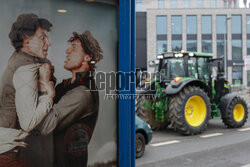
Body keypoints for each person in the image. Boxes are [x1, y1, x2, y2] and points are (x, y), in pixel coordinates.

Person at [38, 31, 103, 167]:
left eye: (74, 48)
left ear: (87, 57)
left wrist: (44, 85)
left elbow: (44, 126)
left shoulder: (82, 93)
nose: (67, 51)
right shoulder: (68, 85)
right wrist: (50, 83)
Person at [0, 13, 55, 166]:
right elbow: (29, 123)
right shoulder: (25, 68)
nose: (48, 43)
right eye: (43, 37)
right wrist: (49, 94)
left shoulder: (18, 58)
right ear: (26, 38)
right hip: (11, 154)